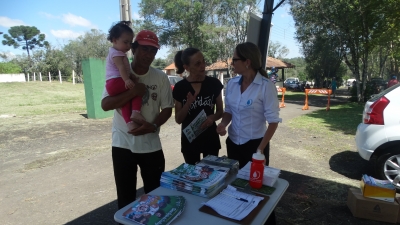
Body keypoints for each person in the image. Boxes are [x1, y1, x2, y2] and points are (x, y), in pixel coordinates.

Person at [101, 30, 174, 210]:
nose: (148, 54)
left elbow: (167, 108)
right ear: (133, 49)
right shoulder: (119, 72)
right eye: (144, 49)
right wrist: (134, 91)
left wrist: (154, 125)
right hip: (123, 145)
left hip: (151, 145)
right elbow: (105, 104)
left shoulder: (160, 77)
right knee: (125, 198)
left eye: (153, 51)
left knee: (155, 195)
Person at [216, 42, 281, 224]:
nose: (232, 63)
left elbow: (273, 122)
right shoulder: (232, 84)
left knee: (258, 190)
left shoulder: (265, 86)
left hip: (255, 146)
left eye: (234, 59)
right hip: (234, 143)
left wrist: (260, 151)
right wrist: (223, 124)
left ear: (247, 62)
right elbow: (229, 111)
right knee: (236, 187)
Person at [172, 48, 224, 165]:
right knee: (192, 177)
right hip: (190, 139)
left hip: (210, 138)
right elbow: (178, 119)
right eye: (197, 63)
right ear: (187, 67)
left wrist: (212, 118)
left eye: (203, 61)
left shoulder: (214, 84)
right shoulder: (180, 87)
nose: (203, 66)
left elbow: (220, 111)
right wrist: (188, 103)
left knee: (210, 174)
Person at [105, 21, 145, 130]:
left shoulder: (115, 52)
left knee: (125, 103)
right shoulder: (116, 53)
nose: (128, 46)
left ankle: (129, 124)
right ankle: (136, 112)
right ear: (114, 40)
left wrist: (130, 76)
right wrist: (127, 80)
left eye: (130, 43)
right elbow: (121, 68)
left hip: (112, 84)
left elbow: (125, 70)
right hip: (115, 82)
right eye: (125, 42)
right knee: (138, 89)